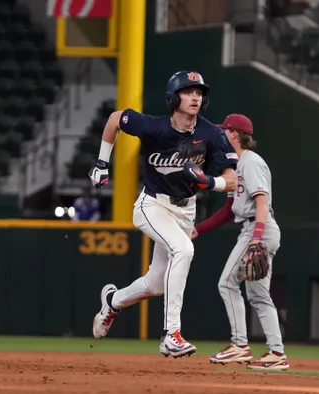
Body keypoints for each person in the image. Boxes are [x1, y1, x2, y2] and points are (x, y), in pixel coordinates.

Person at [88, 70, 238, 358]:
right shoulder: (154, 126)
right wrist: (102, 162)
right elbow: (114, 119)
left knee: (156, 284)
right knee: (184, 250)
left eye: (199, 92)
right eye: (188, 91)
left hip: (185, 210)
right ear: (173, 97)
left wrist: (210, 182)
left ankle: (112, 301)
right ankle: (172, 334)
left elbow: (231, 180)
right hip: (152, 205)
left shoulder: (211, 134)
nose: (195, 97)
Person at [191, 114, 289, 371]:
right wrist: (198, 230)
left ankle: (239, 345)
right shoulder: (235, 165)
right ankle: (277, 352)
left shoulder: (251, 162)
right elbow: (228, 209)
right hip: (258, 228)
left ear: (235, 134)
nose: (221, 134)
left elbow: (261, 202)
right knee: (258, 295)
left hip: (259, 228)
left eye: (225, 130)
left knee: (227, 283)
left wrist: (256, 237)